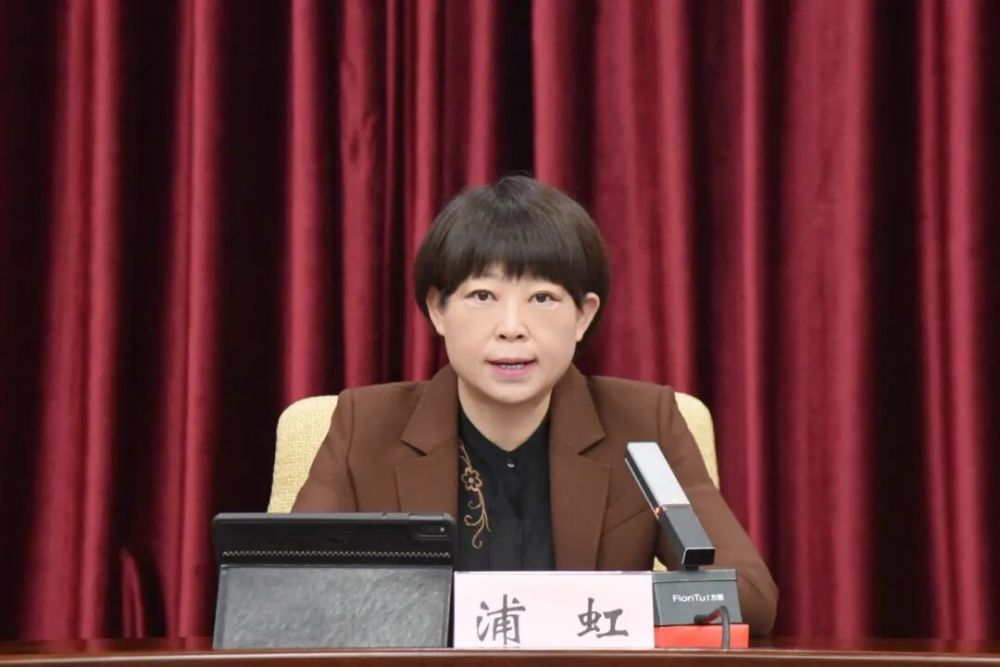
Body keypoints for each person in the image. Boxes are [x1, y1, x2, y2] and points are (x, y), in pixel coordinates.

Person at [292, 175, 778, 635]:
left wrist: (585, 606)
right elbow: (289, 594)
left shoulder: (644, 423)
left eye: (542, 298)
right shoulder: (366, 427)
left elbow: (750, 596)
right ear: (438, 310)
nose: (512, 327)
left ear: (583, 316)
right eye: (483, 295)